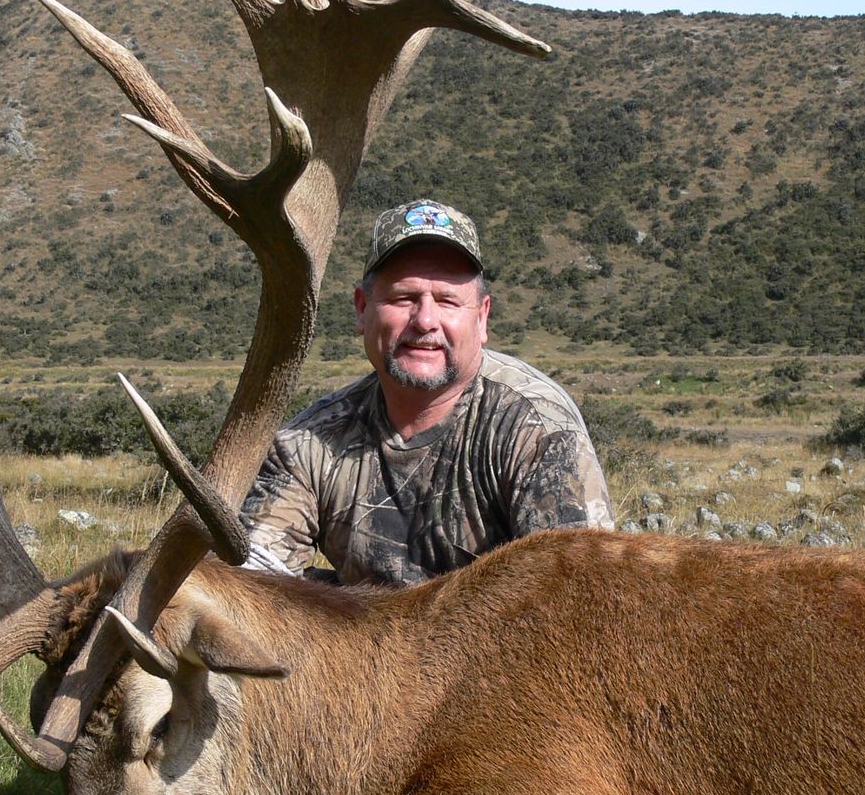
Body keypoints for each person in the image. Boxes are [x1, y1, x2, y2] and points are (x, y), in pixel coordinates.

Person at [241, 198, 614, 586]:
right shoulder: (306, 444)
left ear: (482, 317)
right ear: (361, 308)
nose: (425, 321)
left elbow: (583, 597)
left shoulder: (535, 429)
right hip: (362, 645)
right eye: (404, 298)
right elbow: (256, 591)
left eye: (448, 301)